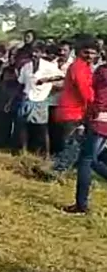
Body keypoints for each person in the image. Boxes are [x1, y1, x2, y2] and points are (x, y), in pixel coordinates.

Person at [35, 38, 98, 180]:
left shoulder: (85, 67)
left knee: (73, 145)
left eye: (92, 53)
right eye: (86, 52)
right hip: (71, 112)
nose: (89, 55)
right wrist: (97, 105)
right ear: (79, 52)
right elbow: (84, 90)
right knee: (73, 146)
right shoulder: (79, 67)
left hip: (76, 111)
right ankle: (55, 171)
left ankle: (54, 169)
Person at [63, 63, 107, 214]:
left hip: (98, 120)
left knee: (86, 160)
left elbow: (95, 98)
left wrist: (85, 120)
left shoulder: (102, 71)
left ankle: (81, 205)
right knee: (97, 157)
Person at [16, 42, 64, 157]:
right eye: (32, 51)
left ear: (42, 53)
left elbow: (61, 76)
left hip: (41, 99)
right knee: (23, 126)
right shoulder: (26, 67)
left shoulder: (48, 66)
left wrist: (46, 80)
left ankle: (46, 153)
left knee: (42, 128)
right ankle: (24, 150)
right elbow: (21, 82)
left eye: (37, 52)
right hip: (27, 97)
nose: (34, 54)